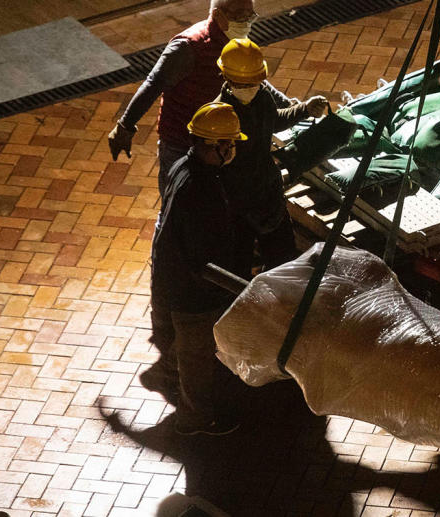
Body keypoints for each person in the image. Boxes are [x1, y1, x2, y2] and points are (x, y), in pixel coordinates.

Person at [108, 0, 294, 195]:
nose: (246, 22)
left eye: (250, 16)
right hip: (181, 143)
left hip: (218, 144)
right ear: (217, 15)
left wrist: (286, 103)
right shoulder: (188, 47)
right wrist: (125, 127)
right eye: (239, 15)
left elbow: (251, 78)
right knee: (176, 204)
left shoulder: (238, 41)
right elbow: (153, 84)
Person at [149, 102, 254, 435]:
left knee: (182, 345)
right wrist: (244, 288)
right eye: (230, 143)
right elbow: (201, 261)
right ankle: (194, 419)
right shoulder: (200, 191)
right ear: (216, 146)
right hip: (192, 294)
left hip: (175, 282)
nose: (233, 149)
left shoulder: (184, 166)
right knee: (196, 359)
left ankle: (169, 375)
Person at [214, 38, 329, 269]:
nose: (249, 88)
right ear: (226, 79)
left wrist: (304, 109)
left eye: (253, 82)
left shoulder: (262, 97)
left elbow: (274, 121)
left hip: (267, 193)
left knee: (283, 259)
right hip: (237, 203)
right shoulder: (218, 117)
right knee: (239, 263)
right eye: (243, 83)